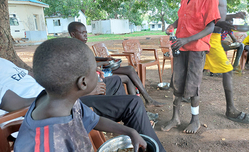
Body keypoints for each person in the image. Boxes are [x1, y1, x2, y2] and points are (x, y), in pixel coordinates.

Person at [0, 57, 166, 151]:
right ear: (82, 84)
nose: (100, 76)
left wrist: (129, 131)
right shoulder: (45, 143)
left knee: (115, 83)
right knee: (132, 103)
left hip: (55, 97)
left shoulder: (73, 105)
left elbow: (93, 119)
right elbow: (10, 102)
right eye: (96, 73)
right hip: (43, 105)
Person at [161, 0, 220, 134]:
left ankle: (195, 120)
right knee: (177, 82)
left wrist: (186, 39)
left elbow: (210, 27)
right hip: (180, 46)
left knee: (193, 85)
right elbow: (182, 18)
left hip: (196, 48)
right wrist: (173, 25)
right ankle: (175, 118)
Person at [68, 21, 164, 107]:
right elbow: (85, 67)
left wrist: (105, 58)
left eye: (86, 33)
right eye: (82, 33)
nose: (85, 35)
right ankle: (137, 104)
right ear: (73, 34)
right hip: (97, 75)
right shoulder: (73, 49)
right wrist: (103, 62)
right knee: (127, 78)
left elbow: (91, 58)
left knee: (130, 69)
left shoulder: (81, 46)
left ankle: (145, 101)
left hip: (101, 69)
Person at [204, 0, 249, 123]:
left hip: (215, 37)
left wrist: (234, 15)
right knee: (227, 71)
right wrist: (220, 24)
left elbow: (219, 17)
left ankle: (186, 96)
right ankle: (230, 110)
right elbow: (203, 19)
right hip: (210, 38)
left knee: (193, 69)